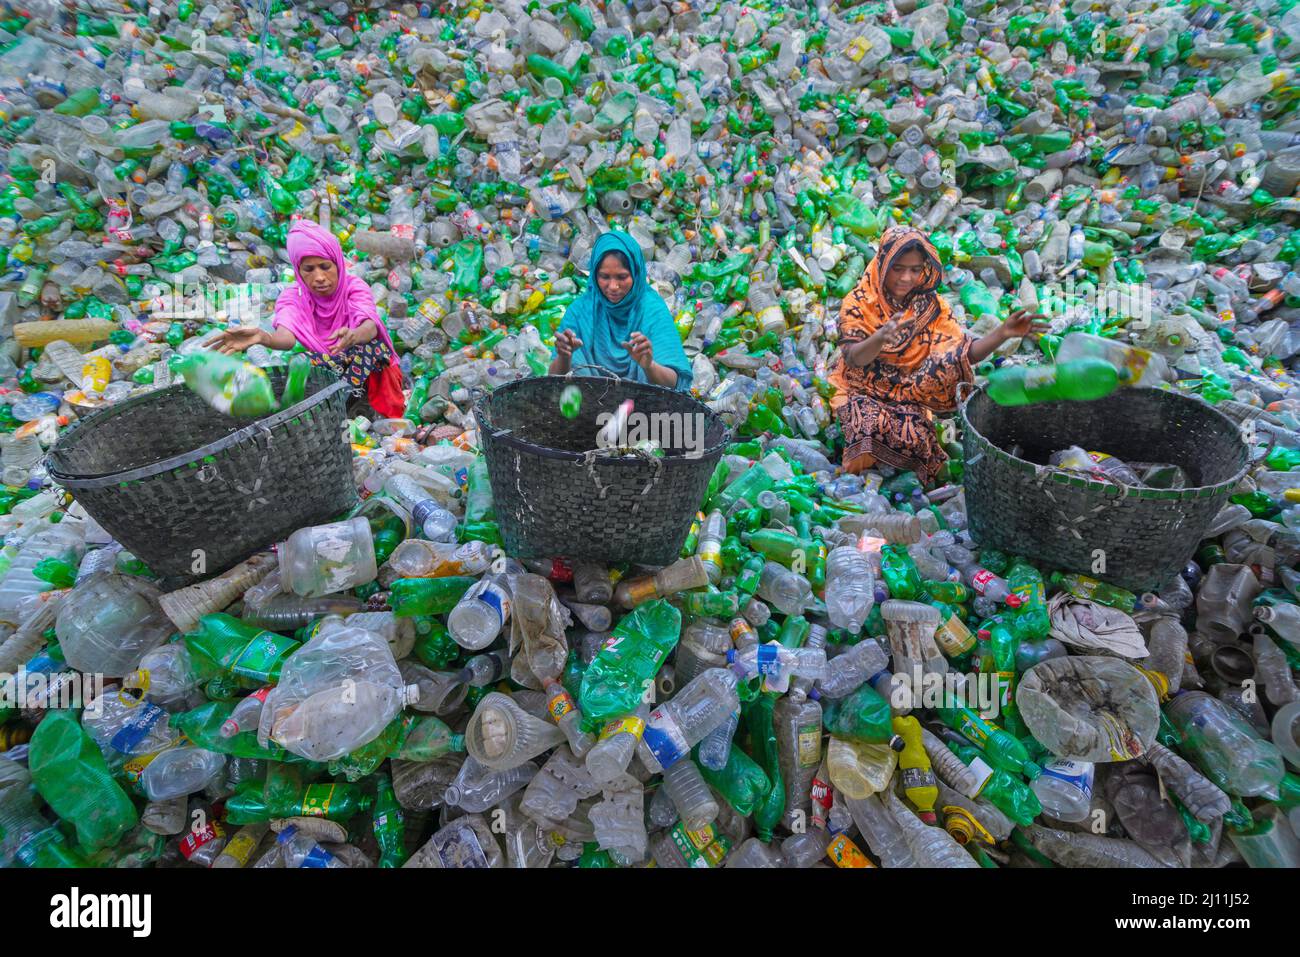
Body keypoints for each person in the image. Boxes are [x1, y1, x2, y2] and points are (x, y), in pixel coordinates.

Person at [828, 225, 1047, 485]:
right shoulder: (859, 301)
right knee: (866, 430)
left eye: (915, 270)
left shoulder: (931, 306)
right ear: (883, 264)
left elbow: (962, 353)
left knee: (920, 439)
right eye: (898, 268)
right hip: (860, 388)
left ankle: (900, 469)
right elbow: (854, 357)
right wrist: (879, 338)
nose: (906, 278)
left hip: (907, 391)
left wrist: (1003, 333)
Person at [212, 220, 406, 418]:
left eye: (325, 266)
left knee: (372, 348)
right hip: (333, 373)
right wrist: (263, 338)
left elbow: (370, 326)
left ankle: (375, 414)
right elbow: (286, 337)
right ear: (298, 271)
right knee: (302, 361)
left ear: (337, 264)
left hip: (371, 373)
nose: (319, 276)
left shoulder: (354, 287)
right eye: (309, 269)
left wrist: (354, 336)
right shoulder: (293, 297)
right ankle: (334, 413)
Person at [549, 230, 693, 392]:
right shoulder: (581, 310)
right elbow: (553, 379)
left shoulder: (652, 310)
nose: (613, 287)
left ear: (636, 273)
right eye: (604, 276)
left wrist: (649, 365)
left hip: (642, 411)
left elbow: (674, 383)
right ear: (594, 275)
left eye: (622, 277)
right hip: (588, 407)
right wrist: (564, 356)